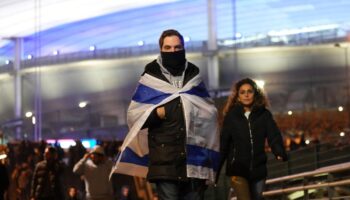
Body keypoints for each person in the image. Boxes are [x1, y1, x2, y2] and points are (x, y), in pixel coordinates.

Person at [111, 29, 220, 200]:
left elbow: (209, 112)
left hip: (194, 162)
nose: (173, 52)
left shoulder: (193, 74)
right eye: (168, 48)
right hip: (165, 163)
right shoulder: (151, 76)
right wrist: (158, 113)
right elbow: (134, 116)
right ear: (161, 49)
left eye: (177, 48)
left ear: (183, 48)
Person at [217, 78, 288, 200]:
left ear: (255, 94)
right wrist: (216, 170)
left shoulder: (264, 115)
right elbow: (224, 144)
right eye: (242, 92)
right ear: (237, 96)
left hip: (258, 170)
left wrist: (278, 151)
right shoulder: (231, 117)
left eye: (249, 91)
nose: (246, 95)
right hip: (238, 170)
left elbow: (274, 135)